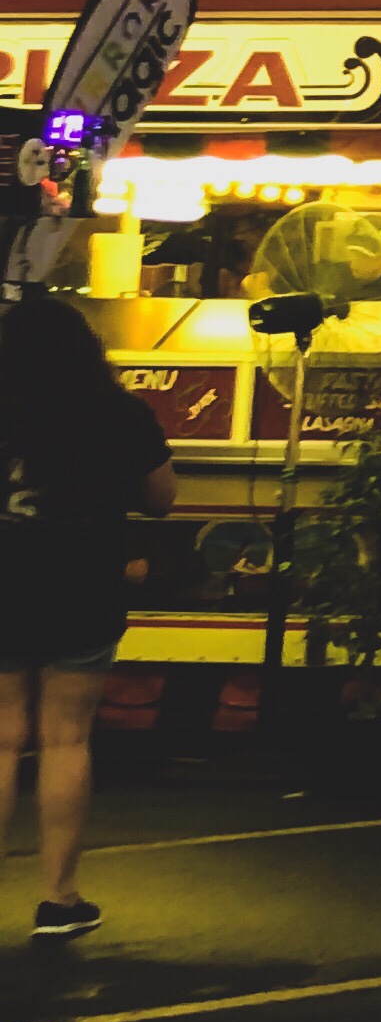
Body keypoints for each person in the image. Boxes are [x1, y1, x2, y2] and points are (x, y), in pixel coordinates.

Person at [0, 295, 172, 943]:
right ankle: (59, 898)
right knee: (66, 738)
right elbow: (162, 498)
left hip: (3, 582)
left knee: (1, 736)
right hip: (83, 586)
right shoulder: (119, 412)